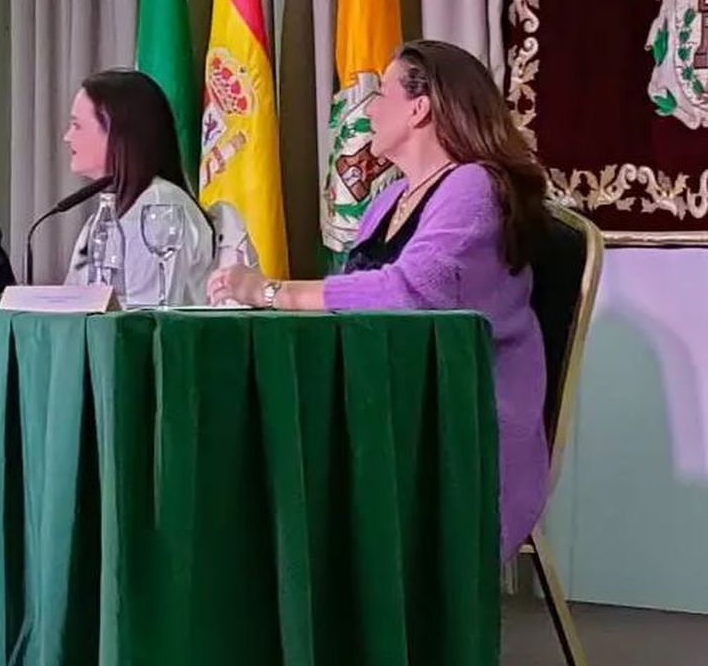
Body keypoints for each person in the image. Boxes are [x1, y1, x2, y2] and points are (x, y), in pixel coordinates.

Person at [206, 39, 551, 561]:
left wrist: (271, 291)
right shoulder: (390, 197)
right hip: (393, 396)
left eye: (382, 94)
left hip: (458, 416)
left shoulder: (472, 185)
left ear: (420, 106)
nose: (368, 109)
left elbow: (410, 292)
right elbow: (356, 296)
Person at [61, 69, 212, 306]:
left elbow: (146, 313)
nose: (67, 137)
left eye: (77, 126)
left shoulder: (160, 205)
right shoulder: (106, 214)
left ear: (117, 134)